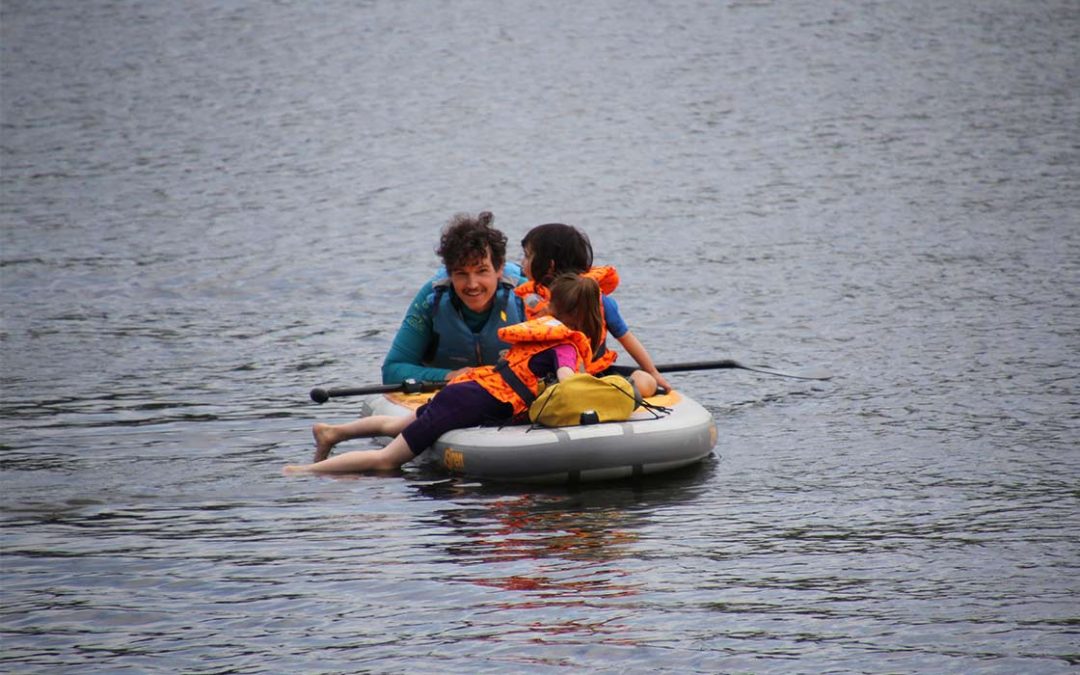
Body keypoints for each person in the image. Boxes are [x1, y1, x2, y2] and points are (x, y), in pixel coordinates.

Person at [284, 274, 602, 475]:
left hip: (468, 389)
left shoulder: (540, 331)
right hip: (469, 403)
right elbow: (567, 381)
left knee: (396, 425)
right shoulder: (565, 344)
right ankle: (302, 472)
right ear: (584, 316)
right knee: (387, 460)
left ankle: (333, 432)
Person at [516, 223, 672, 396]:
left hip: (595, 375)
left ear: (550, 265)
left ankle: (600, 394)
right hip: (551, 378)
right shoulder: (529, 301)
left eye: (527, 256)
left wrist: (652, 372)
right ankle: (600, 396)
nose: (522, 262)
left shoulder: (597, 300)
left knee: (645, 380)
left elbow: (625, 337)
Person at [381, 212, 526, 385]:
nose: (472, 284)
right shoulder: (431, 299)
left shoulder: (527, 295)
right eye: (461, 273)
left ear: (499, 268)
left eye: (482, 271)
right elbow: (392, 370)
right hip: (451, 389)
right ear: (450, 274)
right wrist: (450, 376)